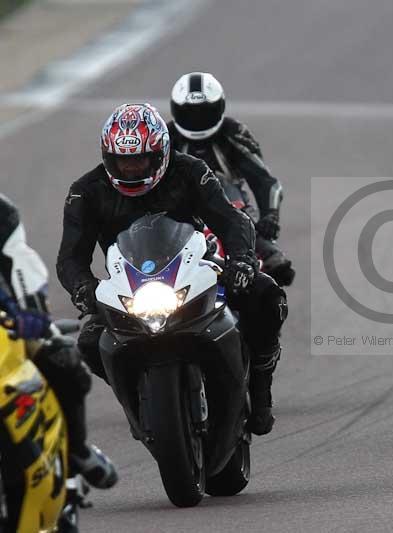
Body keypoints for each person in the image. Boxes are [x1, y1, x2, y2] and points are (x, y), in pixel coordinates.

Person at [56, 103, 287, 436]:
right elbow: (70, 257)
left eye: (140, 159)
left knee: (266, 296)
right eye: (123, 160)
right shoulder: (86, 191)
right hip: (129, 284)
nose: (132, 168)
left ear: (161, 153)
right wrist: (83, 288)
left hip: (195, 267)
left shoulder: (190, 170)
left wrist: (242, 261)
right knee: (90, 343)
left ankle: (261, 392)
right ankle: (138, 403)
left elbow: (232, 220)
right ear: (108, 157)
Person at [0, 194, 117, 488]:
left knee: (61, 358)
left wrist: (31, 308)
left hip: (6, 317)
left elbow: (20, 261)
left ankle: (75, 450)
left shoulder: (2, 212)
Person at [168, 72, 295, 287]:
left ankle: (262, 254)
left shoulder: (233, 132)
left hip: (232, 205)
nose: (197, 120)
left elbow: (265, 181)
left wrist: (270, 217)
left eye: (204, 113)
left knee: (277, 266)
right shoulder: (165, 136)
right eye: (190, 113)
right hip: (176, 209)